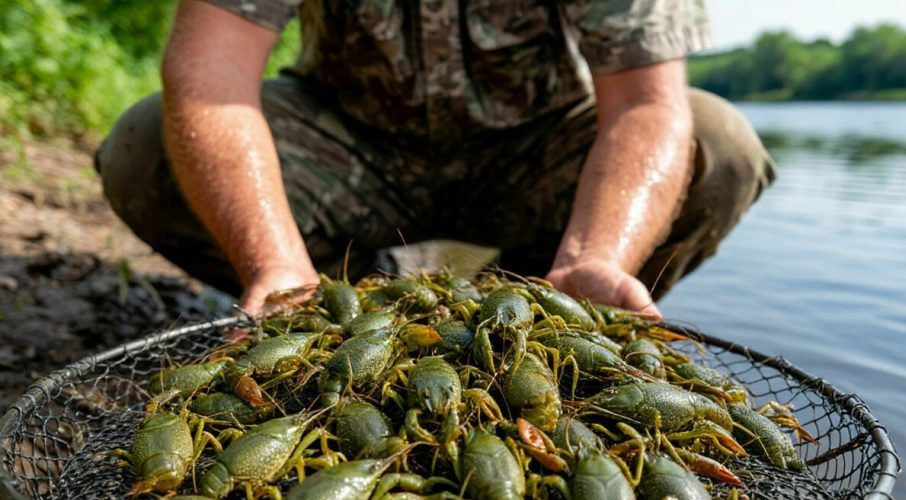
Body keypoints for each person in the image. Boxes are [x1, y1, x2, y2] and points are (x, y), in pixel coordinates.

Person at [95, 0, 775, 318]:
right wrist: (275, 264)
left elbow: (645, 103)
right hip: (346, 142)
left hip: (533, 153)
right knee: (144, 147)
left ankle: (548, 293)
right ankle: (334, 294)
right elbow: (210, 72)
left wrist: (597, 253)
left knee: (720, 145)